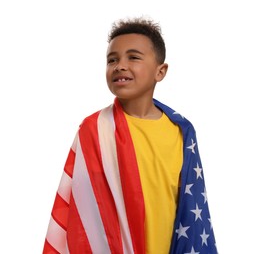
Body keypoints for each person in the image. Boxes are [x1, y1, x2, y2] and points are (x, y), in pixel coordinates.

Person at [43, 17, 218, 254]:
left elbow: (190, 203)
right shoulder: (94, 129)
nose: (120, 65)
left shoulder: (181, 130)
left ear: (160, 71)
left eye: (133, 57)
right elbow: (79, 208)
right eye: (112, 60)